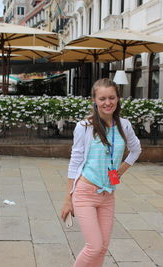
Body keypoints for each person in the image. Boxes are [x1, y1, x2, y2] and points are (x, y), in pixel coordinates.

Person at [61, 78, 141, 267]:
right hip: (85, 193)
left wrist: (120, 171)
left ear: (118, 99)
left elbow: (136, 150)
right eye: (102, 98)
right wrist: (67, 198)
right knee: (94, 246)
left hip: (108, 194)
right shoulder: (85, 127)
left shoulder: (124, 125)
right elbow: (75, 161)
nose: (107, 103)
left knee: (103, 247)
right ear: (95, 100)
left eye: (111, 98)